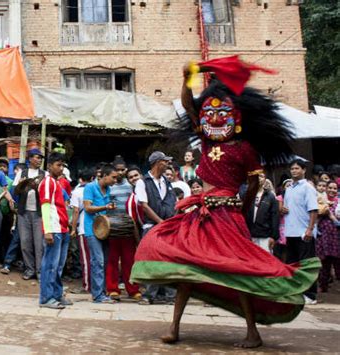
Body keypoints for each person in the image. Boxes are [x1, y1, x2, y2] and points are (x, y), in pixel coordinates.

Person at [130, 58, 319, 348]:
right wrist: (188, 79)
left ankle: (252, 332)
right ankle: (175, 327)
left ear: (238, 117)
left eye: (223, 111)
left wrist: (239, 206)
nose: (216, 117)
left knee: (237, 271)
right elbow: (189, 106)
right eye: (211, 111)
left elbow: (255, 182)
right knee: (184, 268)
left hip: (227, 216)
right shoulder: (206, 142)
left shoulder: (244, 149)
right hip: (198, 213)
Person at [135, 151, 177, 305]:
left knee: (169, 260)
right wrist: (160, 221)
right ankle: (148, 295)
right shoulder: (142, 182)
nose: (167, 164)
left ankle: (170, 295)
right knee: (153, 260)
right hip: (153, 226)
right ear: (158, 163)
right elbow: (144, 206)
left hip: (167, 226)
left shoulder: (166, 181)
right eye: (165, 162)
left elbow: (172, 202)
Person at [38, 153, 72, 309]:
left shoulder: (57, 183)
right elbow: (45, 206)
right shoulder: (47, 183)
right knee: (50, 264)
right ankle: (46, 298)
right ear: (49, 166)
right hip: (54, 229)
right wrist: (47, 230)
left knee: (58, 265)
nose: (61, 168)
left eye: (62, 165)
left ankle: (57, 294)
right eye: (58, 165)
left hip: (62, 228)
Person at [283, 159, 319, 304]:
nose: (294, 171)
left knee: (307, 265)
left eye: (297, 168)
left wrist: (310, 229)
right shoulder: (289, 188)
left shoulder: (308, 188)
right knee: (292, 264)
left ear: (304, 170)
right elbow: (286, 209)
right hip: (291, 232)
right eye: (292, 169)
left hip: (304, 232)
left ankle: (310, 295)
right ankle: (295, 292)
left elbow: (314, 210)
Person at [106, 157, 141, 301]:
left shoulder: (131, 186)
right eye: (117, 170)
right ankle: (113, 289)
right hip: (112, 228)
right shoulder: (109, 186)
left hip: (128, 228)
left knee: (129, 260)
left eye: (122, 169)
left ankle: (133, 290)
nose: (120, 172)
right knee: (112, 260)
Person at [83, 164, 118, 303]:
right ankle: (98, 295)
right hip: (92, 229)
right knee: (98, 261)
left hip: (104, 229)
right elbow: (87, 208)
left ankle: (101, 293)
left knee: (103, 262)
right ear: (104, 176)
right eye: (113, 177)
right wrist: (105, 207)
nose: (115, 180)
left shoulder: (108, 189)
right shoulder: (90, 187)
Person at [15, 149, 46, 280]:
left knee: (39, 244)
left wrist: (37, 187)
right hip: (24, 212)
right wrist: (23, 184)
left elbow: (47, 192)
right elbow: (15, 191)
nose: (39, 160)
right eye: (37, 157)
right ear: (30, 159)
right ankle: (29, 269)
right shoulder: (22, 173)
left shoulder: (45, 174)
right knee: (25, 242)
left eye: (40, 158)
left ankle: (39, 271)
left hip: (39, 213)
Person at [70, 168, 93, 293]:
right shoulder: (97, 189)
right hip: (98, 228)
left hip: (84, 228)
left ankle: (87, 286)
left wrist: (73, 229)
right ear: (93, 178)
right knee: (96, 258)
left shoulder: (77, 192)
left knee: (85, 259)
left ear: (80, 179)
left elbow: (75, 211)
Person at [246, 173, 279, 253]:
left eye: (261, 176)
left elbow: (274, 217)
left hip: (265, 235)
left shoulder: (270, 196)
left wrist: (273, 237)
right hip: (249, 235)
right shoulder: (247, 195)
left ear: (265, 179)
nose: (259, 178)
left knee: (266, 260)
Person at [316, 180, 339, 292]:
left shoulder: (339, 202)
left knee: (338, 263)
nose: (332, 190)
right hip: (323, 237)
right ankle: (323, 287)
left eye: (334, 188)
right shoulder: (319, 201)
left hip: (337, 237)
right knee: (324, 263)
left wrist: (331, 216)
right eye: (330, 187)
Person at [274, 179, 293, 262]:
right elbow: (279, 211)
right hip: (283, 225)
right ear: (283, 187)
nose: (289, 186)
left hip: (293, 225)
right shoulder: (280, 198)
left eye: (291, 185)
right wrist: (281, 210)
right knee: (283, 247)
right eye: (287, 185)